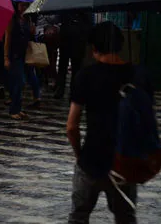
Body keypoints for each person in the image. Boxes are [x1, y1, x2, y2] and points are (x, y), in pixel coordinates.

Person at [66, 21, 152, 223]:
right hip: (124, 162)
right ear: (121, 45)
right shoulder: (139, 76)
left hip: (92, 159)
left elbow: (71, 126)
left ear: (94, 48)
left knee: (79, 215)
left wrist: (80, 155)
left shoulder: (85, 76)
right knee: (125, 217)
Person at [4, 2, 40, 120]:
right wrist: (6, 57)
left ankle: (18, 108)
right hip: (15, 55)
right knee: (19, 82)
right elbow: (7, 38)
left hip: (25, 55)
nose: (24, 8)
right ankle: (14, 110)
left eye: (26, 5)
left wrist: (32, 32)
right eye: (22, 5)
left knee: (21, 83)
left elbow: (29, 37)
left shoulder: (27, 19)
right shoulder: (12, 19)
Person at [55, 12, 93, 99]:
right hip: (67, 40)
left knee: (75, 67)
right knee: (64, 66)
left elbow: (89, 24)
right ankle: (61, 89)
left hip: (78, 40)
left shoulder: (84, 9)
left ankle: (71, 91)